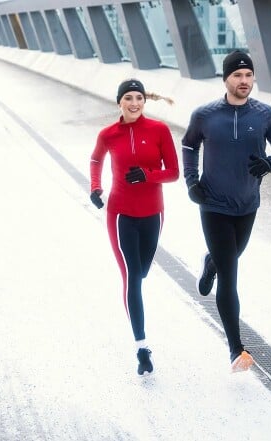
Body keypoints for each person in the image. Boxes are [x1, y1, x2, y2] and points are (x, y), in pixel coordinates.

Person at [181, 50, 271, 373]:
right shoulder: (205, 115)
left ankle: (210, 262)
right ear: (225, 79)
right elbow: (189, 145)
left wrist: (270, 164)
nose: (244, 81)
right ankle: (236, 350)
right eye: (237, 76)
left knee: (231, 257)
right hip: (213, 205)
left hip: (247, 205)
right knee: (230, 277)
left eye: (248, 75)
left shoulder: (264, 115)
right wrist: (192, 181)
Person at [89, 79, 179, 376]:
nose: (133, 103)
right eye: (128, 98)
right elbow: (95, 159)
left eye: (138, 97)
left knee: (141, 272)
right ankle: (142, 347)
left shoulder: (159, 130)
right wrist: (96, 187)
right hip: (120, 214)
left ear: (144, 101)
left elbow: (174, 173)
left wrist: (149, 175)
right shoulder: (108, 134)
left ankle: (139, 338)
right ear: (119, 103)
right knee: (131, 278)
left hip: (153, 214)